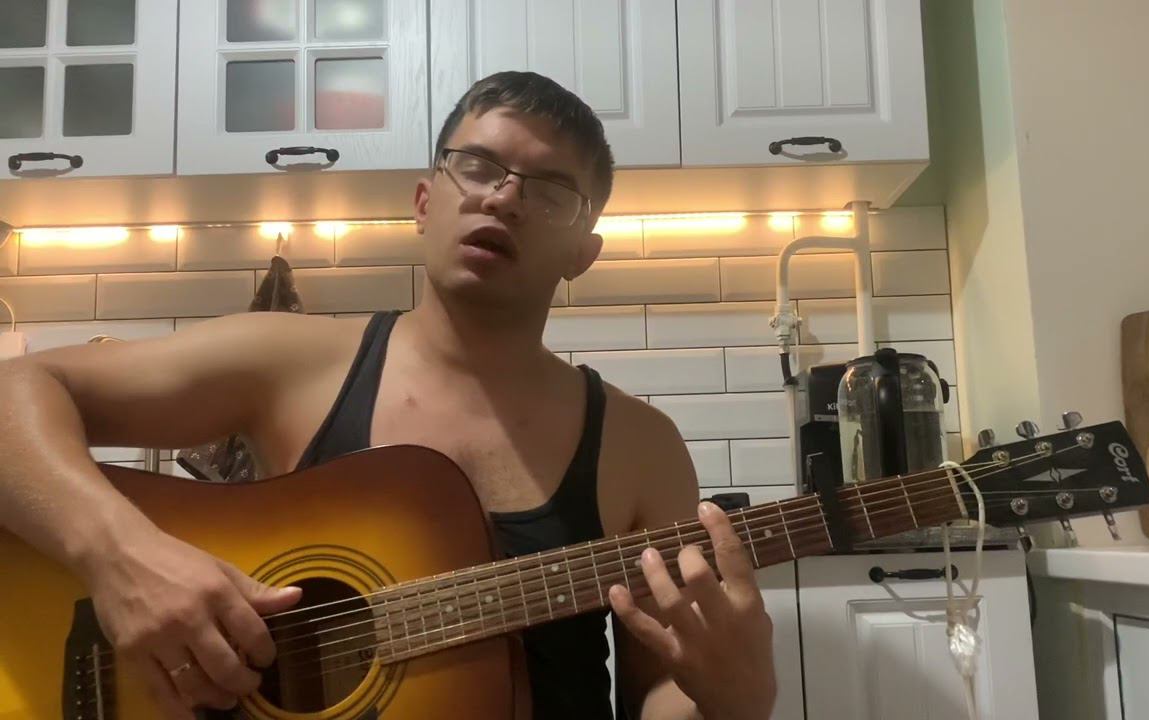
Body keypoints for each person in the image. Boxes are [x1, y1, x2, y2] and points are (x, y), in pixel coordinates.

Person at [0, 71, 777, 719]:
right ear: (425, 202)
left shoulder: (641, 446)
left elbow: (656, 692)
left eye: (548, 191)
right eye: (478, 167)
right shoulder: (288, 360)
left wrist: (731, 699)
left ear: (584, 251)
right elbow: (14, 391)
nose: (504, 199)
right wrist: (122, 558)